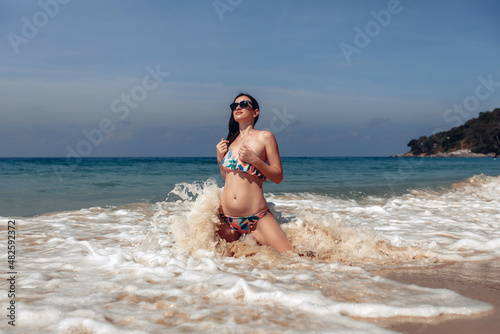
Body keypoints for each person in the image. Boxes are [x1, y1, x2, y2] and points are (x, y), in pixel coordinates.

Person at [216, 93, 293, 253]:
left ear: (255, 112)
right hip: (227, 220)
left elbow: (278, 176)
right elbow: (228, 179)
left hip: (256, 218)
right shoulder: (230, 142)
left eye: (243, 104)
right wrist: (219, 160)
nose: (237, 107)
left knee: (291, 259)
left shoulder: (265, 137)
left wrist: (255, 160)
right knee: (226, 266)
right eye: (234, 105)